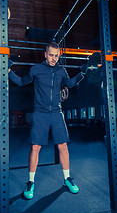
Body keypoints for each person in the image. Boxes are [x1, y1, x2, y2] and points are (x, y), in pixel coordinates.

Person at [8, 42, 86, 199]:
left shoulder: (61, 71)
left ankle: (67, 179)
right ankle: (30, 182)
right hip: (40, 113)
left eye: (56, 56)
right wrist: (8, 69)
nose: (54, 58)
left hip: (57, 113)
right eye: (51, 55)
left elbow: (70, 83)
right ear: (45, 54)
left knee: (63, 146)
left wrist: (82, 73)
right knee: (36, 147)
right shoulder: (36, 69)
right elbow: (21, 81)